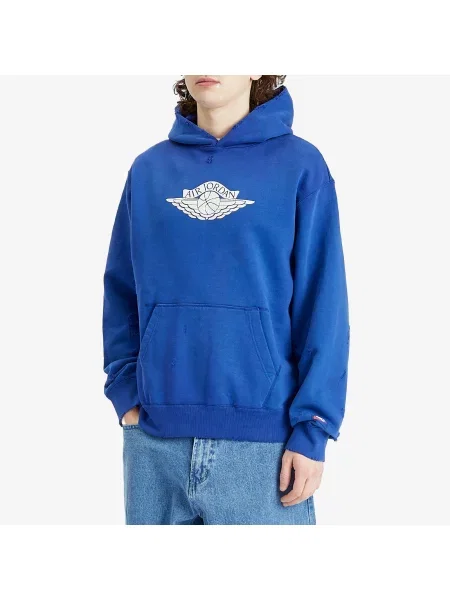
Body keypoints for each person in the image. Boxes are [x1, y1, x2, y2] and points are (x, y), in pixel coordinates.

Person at [102, 75, 350, 525]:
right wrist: (126, 394)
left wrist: (313, 428)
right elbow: (122, 289)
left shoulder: (300, 166)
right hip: (155, 444)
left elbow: (323, 303)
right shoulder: (148, 170)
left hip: (265, 447)